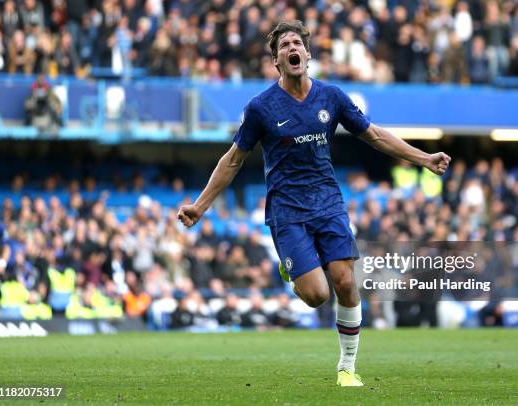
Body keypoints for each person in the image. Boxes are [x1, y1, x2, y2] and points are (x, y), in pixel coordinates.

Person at [178, 20, 451, 387]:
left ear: (307, 54)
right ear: (277, 60)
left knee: (344, 282)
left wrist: (422, 158)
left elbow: (373, 135)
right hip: (287, 210)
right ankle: (293, 271)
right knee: (316, 295)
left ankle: (347, 367)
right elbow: (233, 159)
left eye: (298, 43)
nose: (293, 48)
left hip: (328, 203)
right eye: (285, 45)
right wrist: (201, 206)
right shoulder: (261, 108)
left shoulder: (331, 97)